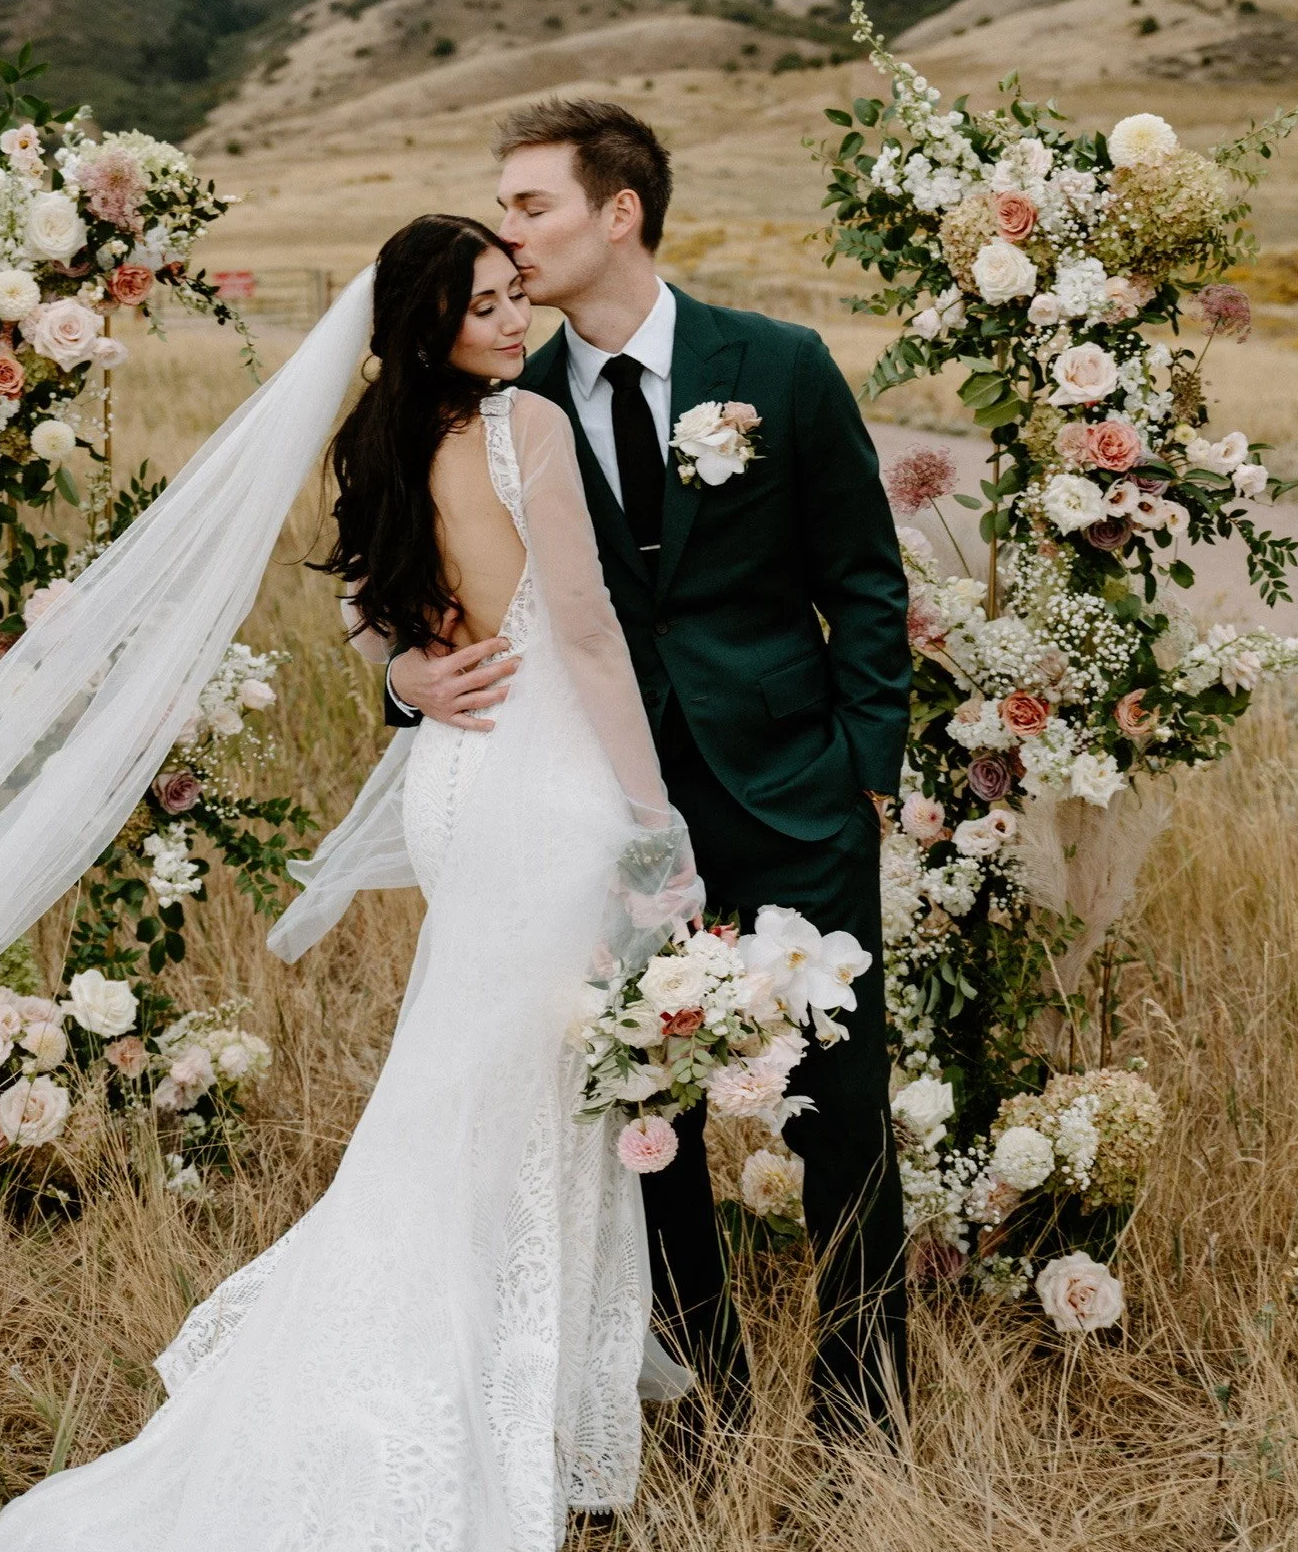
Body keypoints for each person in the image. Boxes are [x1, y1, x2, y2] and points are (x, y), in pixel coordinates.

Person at [0, 218, 699, 1552]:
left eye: (510, 295)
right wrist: (656, 822)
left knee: (476, 1093)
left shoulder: (381, 440)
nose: (511, 317)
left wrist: (415, 675)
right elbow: (596, 636)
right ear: (431, 326)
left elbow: (375, 612)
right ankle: (457, 1399)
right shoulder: (526, 424)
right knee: (513, 1095)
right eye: (481, 306)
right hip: (544, 789)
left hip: (462, 783)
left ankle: (520, 1398)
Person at [387, 100, 912, 1428]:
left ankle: (865, 1399)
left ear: (617, 212)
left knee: (841, 1097)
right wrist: (402, 679)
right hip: (594, 811)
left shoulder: (779, 366)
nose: (506, 233)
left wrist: (869, 769)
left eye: (531, 206)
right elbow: (408, 573)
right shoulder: (505, 394)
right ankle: (700, 1389)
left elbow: (863, 580)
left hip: (796, 790)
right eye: (500, 208)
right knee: (640, 1106)